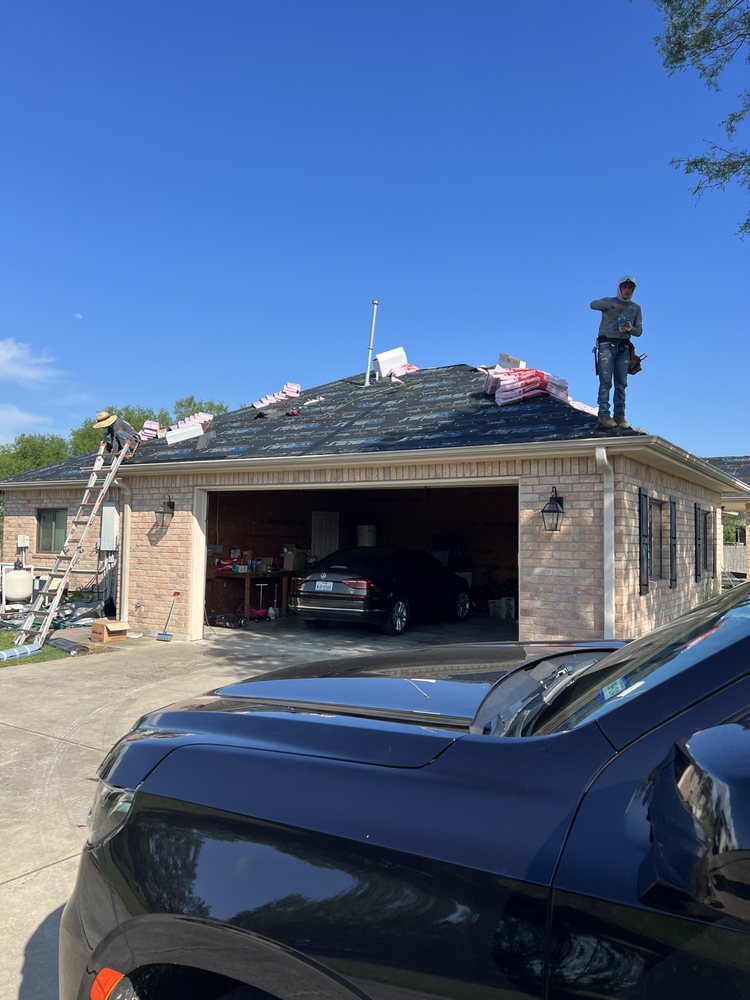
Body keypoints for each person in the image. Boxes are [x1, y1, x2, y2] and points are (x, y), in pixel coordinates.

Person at [590, 275, 643, 429]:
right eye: (624, 287)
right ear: (620, 288)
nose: (627, 290)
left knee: (621, 383)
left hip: (624, 347)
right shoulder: (609, 300)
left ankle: (619, 415)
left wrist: (630, 328)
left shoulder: (635, 308)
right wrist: (612, 305)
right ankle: (604, 414)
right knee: (606, 380)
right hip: (606, 345)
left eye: (630, 288)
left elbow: (639, 331)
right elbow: (592, 304)